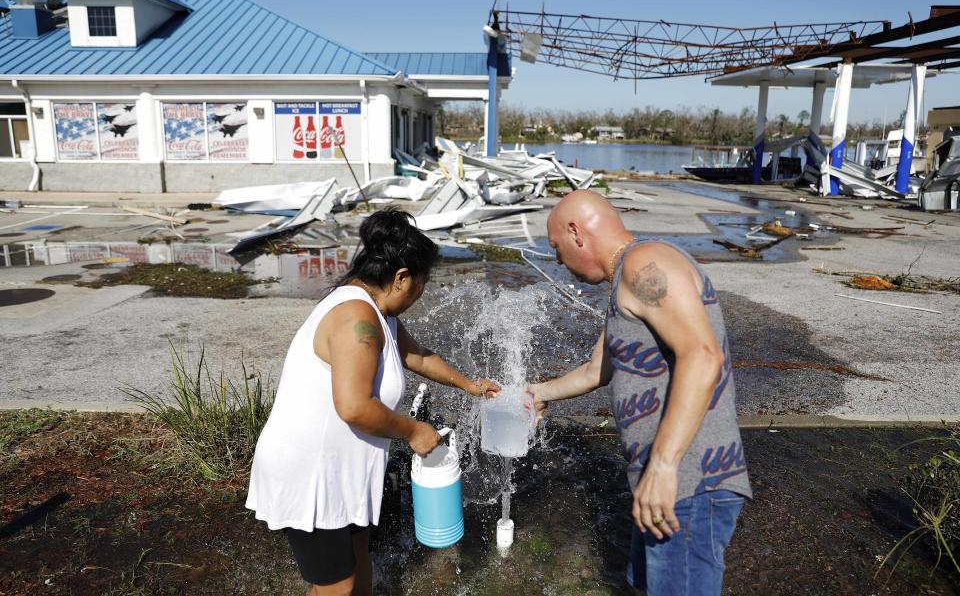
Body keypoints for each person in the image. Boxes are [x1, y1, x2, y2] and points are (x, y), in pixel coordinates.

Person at [246, 209, 499, 596]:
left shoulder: (379, 313)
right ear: (401, 278)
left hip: (340, 471)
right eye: (422, 283)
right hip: (310, 473)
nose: (421, 294)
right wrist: (413, 430)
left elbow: (418, 357)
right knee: (337, 586)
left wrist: (470, 385)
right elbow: (353, 406)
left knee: (359, 559)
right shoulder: (355, 319)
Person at [526, 190, 751, 596]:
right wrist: (539, 393)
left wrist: (664, 468)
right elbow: (599, 370)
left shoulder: (645, 264)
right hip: (663, 483)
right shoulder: (625, 283)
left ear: (577, 233)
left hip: (689, 483)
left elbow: (702, 355)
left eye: (556, 248)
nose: (559, 262)